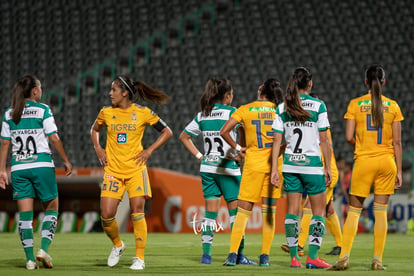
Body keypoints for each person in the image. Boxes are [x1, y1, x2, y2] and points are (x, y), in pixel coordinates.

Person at [90, 75, 173, 270]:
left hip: (136, 169)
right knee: (106, 215)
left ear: (125, 92)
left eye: (114, 90)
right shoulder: (106, 112)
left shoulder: (142, 112)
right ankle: (118, 245)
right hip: (113, 170)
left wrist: (149, 150)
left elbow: (167, 131)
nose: (110, 93)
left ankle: (139, 258)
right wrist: (98, 148)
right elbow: (94, 130)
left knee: (138, 211)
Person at [328, 65, 403, 271]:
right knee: (380, 212)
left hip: (363, 162)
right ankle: (377, 260)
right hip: (387, 161)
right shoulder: (394, 106)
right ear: (384, 82)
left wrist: (360, 146)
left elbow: (348, 137)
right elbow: (397, 142)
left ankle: (344, 256)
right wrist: (397, 169)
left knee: (353, 212)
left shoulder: (355, 104)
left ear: (365, 82)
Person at [0, 75, 73, 270]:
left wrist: (1, 170)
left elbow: (5, 143)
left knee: (24, 216)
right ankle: (44, 249)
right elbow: (54, 138)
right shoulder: (43, 110)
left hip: (18, 168)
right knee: (52, 208)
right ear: (34, 91)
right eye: (40, 87)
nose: (41, 90)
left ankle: (30, 260)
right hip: (41, 165)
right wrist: (65, 160)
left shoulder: (9, 113)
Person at [179, 78, 254, 265]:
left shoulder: (203, 114)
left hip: (208, 168)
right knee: (236, 216)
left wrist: (199, 156)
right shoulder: (233, 113)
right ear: (227, 96)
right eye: (232, 94)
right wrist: (239, 150)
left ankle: (206, 255)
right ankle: (238, 255)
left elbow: (184, 136)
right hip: (228, 168)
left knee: (210, 214)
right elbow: (244, 133)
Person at [270, 67, 332, 269]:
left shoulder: (282, 107)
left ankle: (294, 258)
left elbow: (276, 141)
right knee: (318, 213)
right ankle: (313, 257)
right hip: (312, 166)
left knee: (292, 212)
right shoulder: (318, 106)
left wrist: (273, 170)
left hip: (290, 165)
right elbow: (324, 139)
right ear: (310, 83)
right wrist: (328, 167)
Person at [221, 78, 284, 266]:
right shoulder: (280, 111)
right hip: (274, 166)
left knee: (242, 212)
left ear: (261, 90)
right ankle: (264, 257)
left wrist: (239, 148)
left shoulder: (245, 109)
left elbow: (224, 131)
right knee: (269, 213)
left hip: (253, 165)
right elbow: (284, 142)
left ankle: (233, 254)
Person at [280, 93, 343, 257]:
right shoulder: (316, 126)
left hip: (324, 170)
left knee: (309, 206)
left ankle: (299, 244)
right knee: (328, 210)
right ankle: (341, 244)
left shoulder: (319, 128)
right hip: (320, 169)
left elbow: (323, 144)